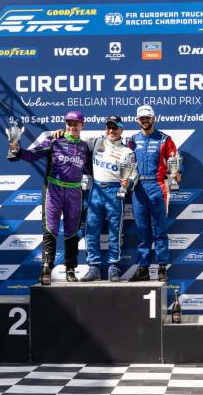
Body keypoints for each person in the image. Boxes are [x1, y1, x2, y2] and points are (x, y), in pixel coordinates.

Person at [9, 111, 90, 284]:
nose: (72, 126)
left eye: (76, 123)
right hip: (54, 190)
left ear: (82, 125)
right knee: (50, 229)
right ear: (65, 124)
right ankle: (46, 268)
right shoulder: (54, 140)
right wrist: (18, 151)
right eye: (69, 123)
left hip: (74, 192)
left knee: (72, 232)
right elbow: (33, 154)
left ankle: (70, 269)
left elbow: (92, 169)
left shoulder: (84, 147)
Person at [80, 115, 138, 282]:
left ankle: (113, 267)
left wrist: (129, 183)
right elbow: (74, 140)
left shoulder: (128, 152)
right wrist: (60, 133)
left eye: (115, 127)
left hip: (115, 192)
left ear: (121, 129)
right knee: (91, 230)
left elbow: (135, 175)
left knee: (115, 231)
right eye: (109, 127)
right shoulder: (96, 142)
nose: (111, 130)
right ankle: (93, 267)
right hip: (96, 190)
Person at [128, 105, 181, 282]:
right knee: (142, 230)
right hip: (138, 188)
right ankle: (143, 268)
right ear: (137, 120)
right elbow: (124, 162)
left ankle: (162, 268)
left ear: (153, 118)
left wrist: (176, 173)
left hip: (158, 186)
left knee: (160, 230)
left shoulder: (165, 139)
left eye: (147, 118)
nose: (145, 121)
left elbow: (175, 161)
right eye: (142, 118)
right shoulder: (132, 140)